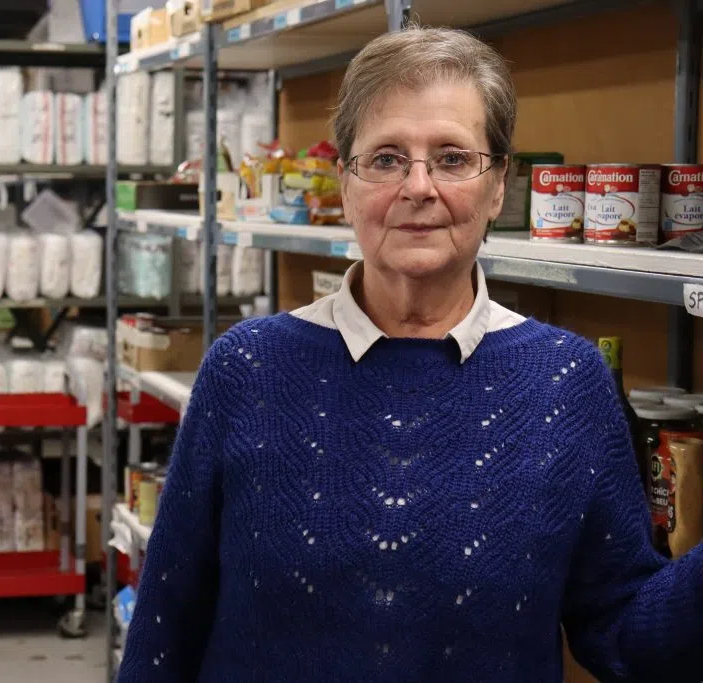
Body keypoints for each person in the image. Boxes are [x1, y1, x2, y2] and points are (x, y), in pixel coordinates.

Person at [117, 27, 703, 683]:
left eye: (452, 158)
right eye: (387, 157)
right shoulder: (246, 369)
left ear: (498, 185)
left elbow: (626, 632)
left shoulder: (567, 383)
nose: (418, 186)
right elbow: (164, 632)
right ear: (345, 183)